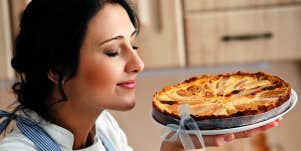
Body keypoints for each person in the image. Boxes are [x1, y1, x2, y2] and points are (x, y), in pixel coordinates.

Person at [0, 0, 280, 150]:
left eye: (133, 45)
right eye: (112, 51)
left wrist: (178, 146)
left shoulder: (106, 129)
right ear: (57, 69)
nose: (138, 63)